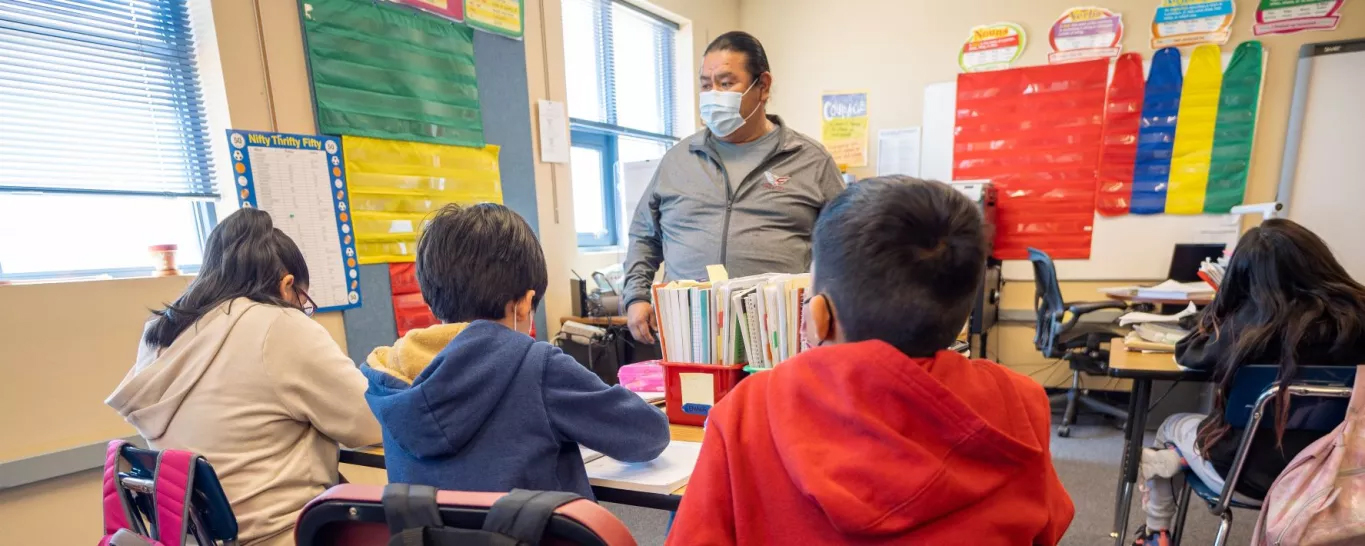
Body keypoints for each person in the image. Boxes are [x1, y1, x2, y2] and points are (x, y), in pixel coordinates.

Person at [667, 177, 1075, 545]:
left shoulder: (749, 408)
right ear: (962, 313)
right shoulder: (1020, 401)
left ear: (819, 317)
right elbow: (1046, 527)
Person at [107, 208, 382, 546]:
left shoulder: (159, 335)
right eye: (303, 302)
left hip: (197, 538)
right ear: (287, 285)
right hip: (289, 534)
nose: (302, 311)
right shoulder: (278, 325)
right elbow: (370, 423)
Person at [361, 203, 670, 498]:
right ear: (524, 304)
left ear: (431, 299)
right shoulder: (536, 365)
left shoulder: (391, 374)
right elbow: (647, 435)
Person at [1132, 219, 1365, 546]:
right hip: (1343, 474)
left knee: (1171, 425)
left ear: (1243, 279)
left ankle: (1157, 531)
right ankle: (1175, 464)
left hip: (1247, 475)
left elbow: (1188, 352)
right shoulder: (1357, 318)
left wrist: (1223, 304)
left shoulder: (1249, 328)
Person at [623, 30, 845, 344]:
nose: (713, 94)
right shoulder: (678, 160)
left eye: (726, 84)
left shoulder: (810, 160)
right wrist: (636, 296)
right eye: (705, 84)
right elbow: (644, 235)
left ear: (763, 86)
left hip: (780, 338)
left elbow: (844, 247)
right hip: (690, 338)